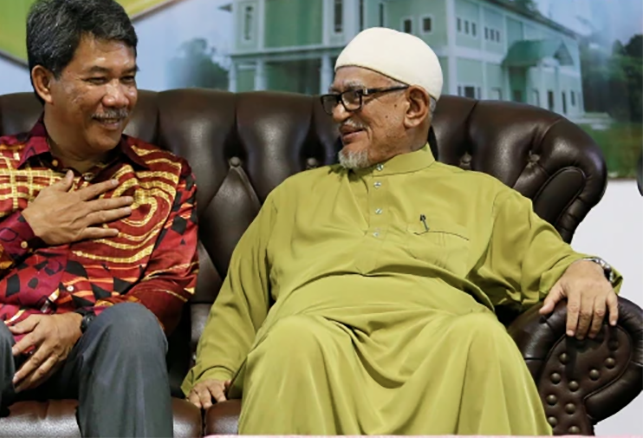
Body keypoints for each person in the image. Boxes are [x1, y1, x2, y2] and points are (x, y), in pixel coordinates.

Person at [182, 27, 621, 435]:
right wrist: (216, 368)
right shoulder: (293, 196)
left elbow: (551, 260)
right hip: (314, 341)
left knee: (482, 337)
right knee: (292, 339)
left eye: (355, 97)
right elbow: (240, 300)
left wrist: (583, 270)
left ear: (413, 106)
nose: (339, 114)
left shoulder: (481, 196)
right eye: (335, 99)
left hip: (442, 343)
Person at [0, 0, 198, 438]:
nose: (118, 98)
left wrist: (80, 323)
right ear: (45, 83)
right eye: (97, 79)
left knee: (131, 326)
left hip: (104, 353)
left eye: (128, 78)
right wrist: (26, 229)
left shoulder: (163, 177)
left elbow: (169, 286)